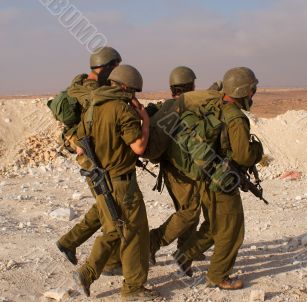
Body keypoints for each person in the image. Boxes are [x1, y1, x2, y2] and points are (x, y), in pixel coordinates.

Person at [71, 65, 158, 301]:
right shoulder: (122, 110)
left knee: (113, 229)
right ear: (124, 88)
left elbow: (78, 146)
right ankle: (133, 289)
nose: (134, 97)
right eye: (133, 92)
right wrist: (146, 123)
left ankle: (87, 274)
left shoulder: (91, 107)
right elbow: (139, 147)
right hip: (121, 183)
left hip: (100, 180)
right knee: (133, 233)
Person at [174, 67, 264, 290]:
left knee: (215, 226)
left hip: (206, 178)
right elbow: (243, 155)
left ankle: (185, 254)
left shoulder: (216, 106)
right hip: (222, 183)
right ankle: (218, 276)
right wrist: (258, 150)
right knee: (232, 231)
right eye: (252, 89)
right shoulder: (235, 117)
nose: (253, 92)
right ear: (245, 90)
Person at [56, 47, 123, 276]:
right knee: (110, 207)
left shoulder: (81, 85)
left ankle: (68, 241)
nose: (116, 73)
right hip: (91, 157)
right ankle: (112, 262)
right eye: (113, 68)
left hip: (94, 154)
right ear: (103, 67)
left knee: (104, 203)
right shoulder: (90, 91)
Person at [149, 66, 206, 265]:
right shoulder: (176, 108)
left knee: (191, 208)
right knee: (189, 211)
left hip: (183, 168)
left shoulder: (172, 106)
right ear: (190, 85)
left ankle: (186, 247)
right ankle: (152, 241)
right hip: (178, 171)